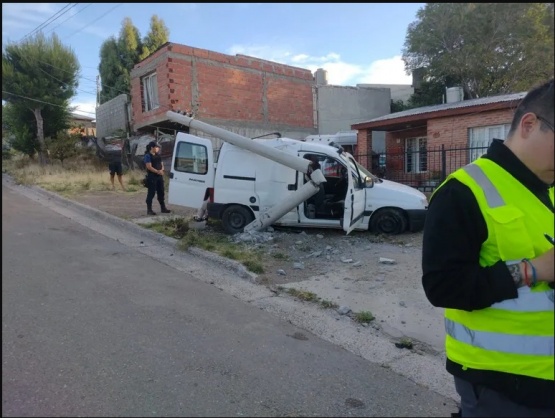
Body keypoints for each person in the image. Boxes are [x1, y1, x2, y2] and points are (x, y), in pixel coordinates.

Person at [421, 79, 554, 417]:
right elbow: (444, 288)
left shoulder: (548, 189)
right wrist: (533, 270)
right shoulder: (463, 192)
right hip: (502, 386)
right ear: (529, 125)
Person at [143, 141, 171, 216]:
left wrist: (161, 170)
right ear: (152, 147)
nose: (158, 148)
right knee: (151, 193)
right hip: (152, 176)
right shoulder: (147, 156)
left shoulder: (158, 155)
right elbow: (149, 166)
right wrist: (157, 171)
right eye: (156, 147)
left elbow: (162, 164)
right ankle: (149, 210)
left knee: (161, 192)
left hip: (159, 176)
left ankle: (163, 208)